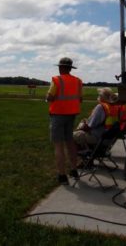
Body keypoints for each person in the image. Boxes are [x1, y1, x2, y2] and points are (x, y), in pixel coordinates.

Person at [46, 57, 83, 185]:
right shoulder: (78, 81)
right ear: (70, 68)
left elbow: (50, 97)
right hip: (71, 115)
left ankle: (62, 175)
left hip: (58, 115)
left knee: (58, 145)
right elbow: (80, 99)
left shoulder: (56, 80)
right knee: (70, 142)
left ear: (61, 67)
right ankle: (74, 170)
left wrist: (48, 97)